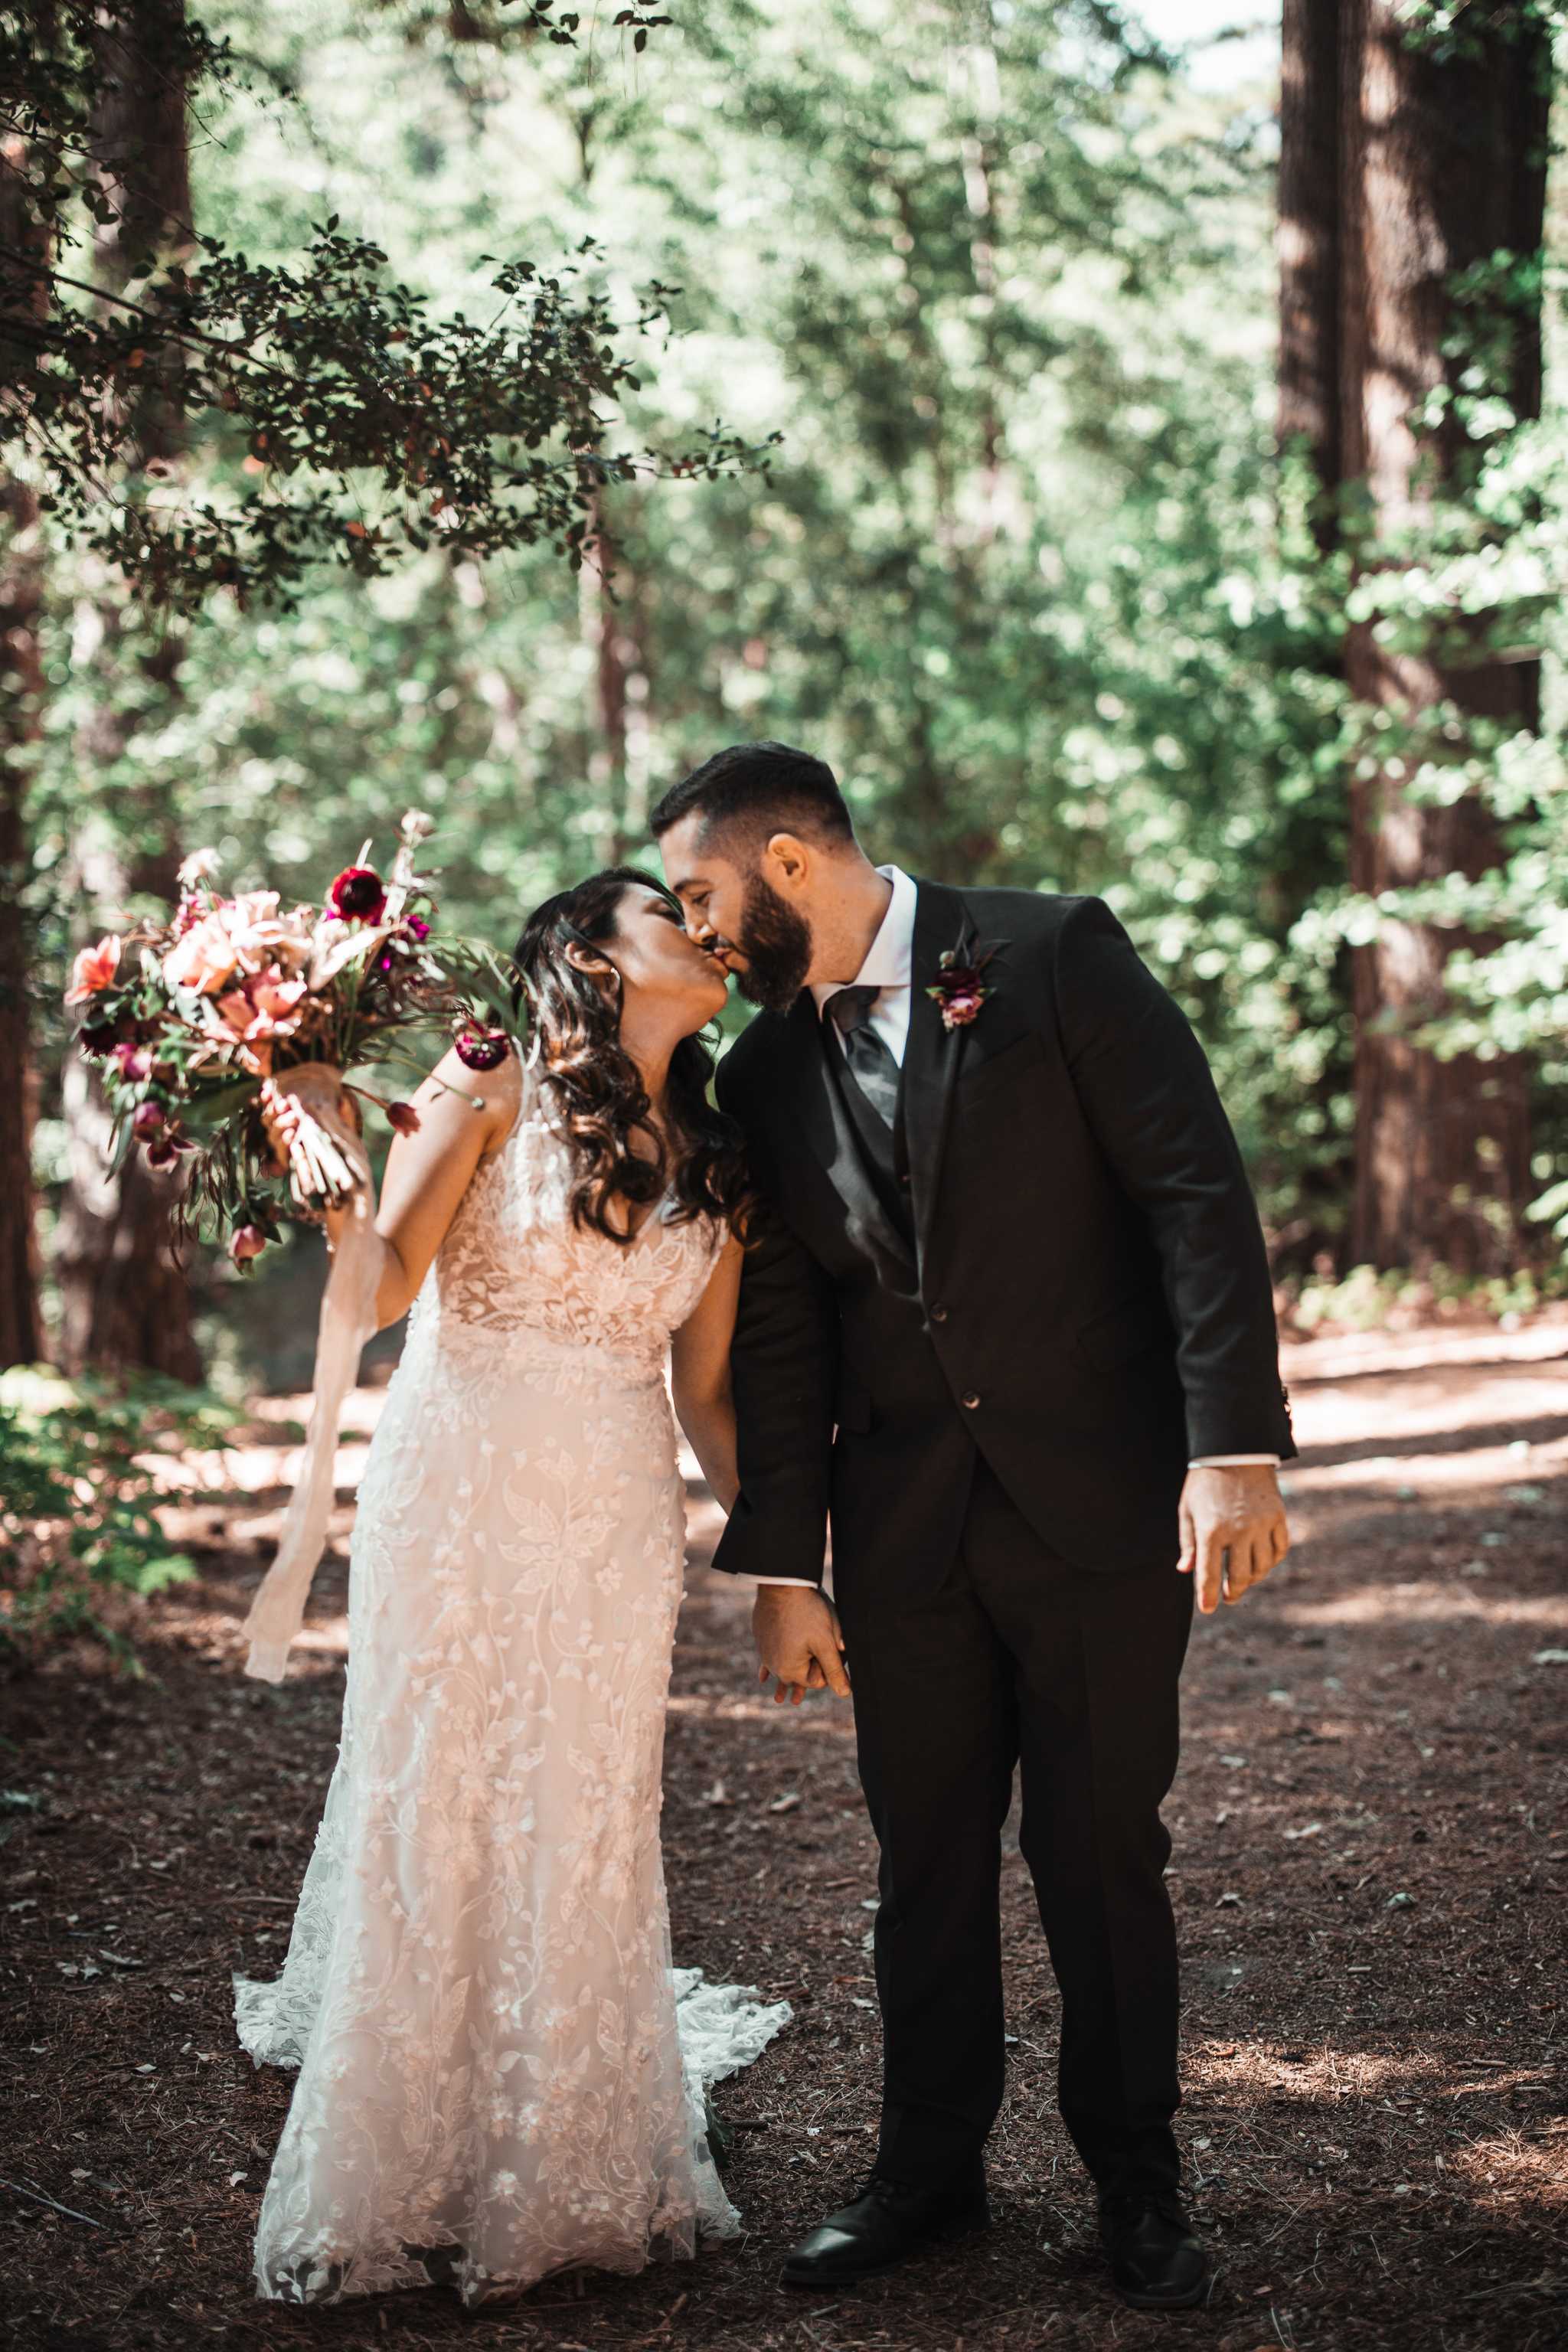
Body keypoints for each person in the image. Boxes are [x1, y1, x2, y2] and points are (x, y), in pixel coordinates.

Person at [652, 743, 1297, 2313]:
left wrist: (1232, 1446)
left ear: (790, 863)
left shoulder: (1047, 950)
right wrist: (784, 1565)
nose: (702, 936)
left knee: (1097, 1855)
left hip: (1097, 1503)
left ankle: (1137, 2186)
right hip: (900, 1534)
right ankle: (924, 2173)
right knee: (920, 1864)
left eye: (704, 896)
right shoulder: (763, 1077)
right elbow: (789, 1333)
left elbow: (1192, 1195)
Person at [231, 869, 789, 2310]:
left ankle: (570, 2146)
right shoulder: (485, 1077)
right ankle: (402, 2146)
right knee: (447, 1784)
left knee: (583, 1801)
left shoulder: (721, 1150)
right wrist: (333, 1156)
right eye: (671, 912)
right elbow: (388, 1284)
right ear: (591, 959)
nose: (707, 931)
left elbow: (709, 1395)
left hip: (613, 1508)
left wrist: (789, 1556)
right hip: (457, 1479)